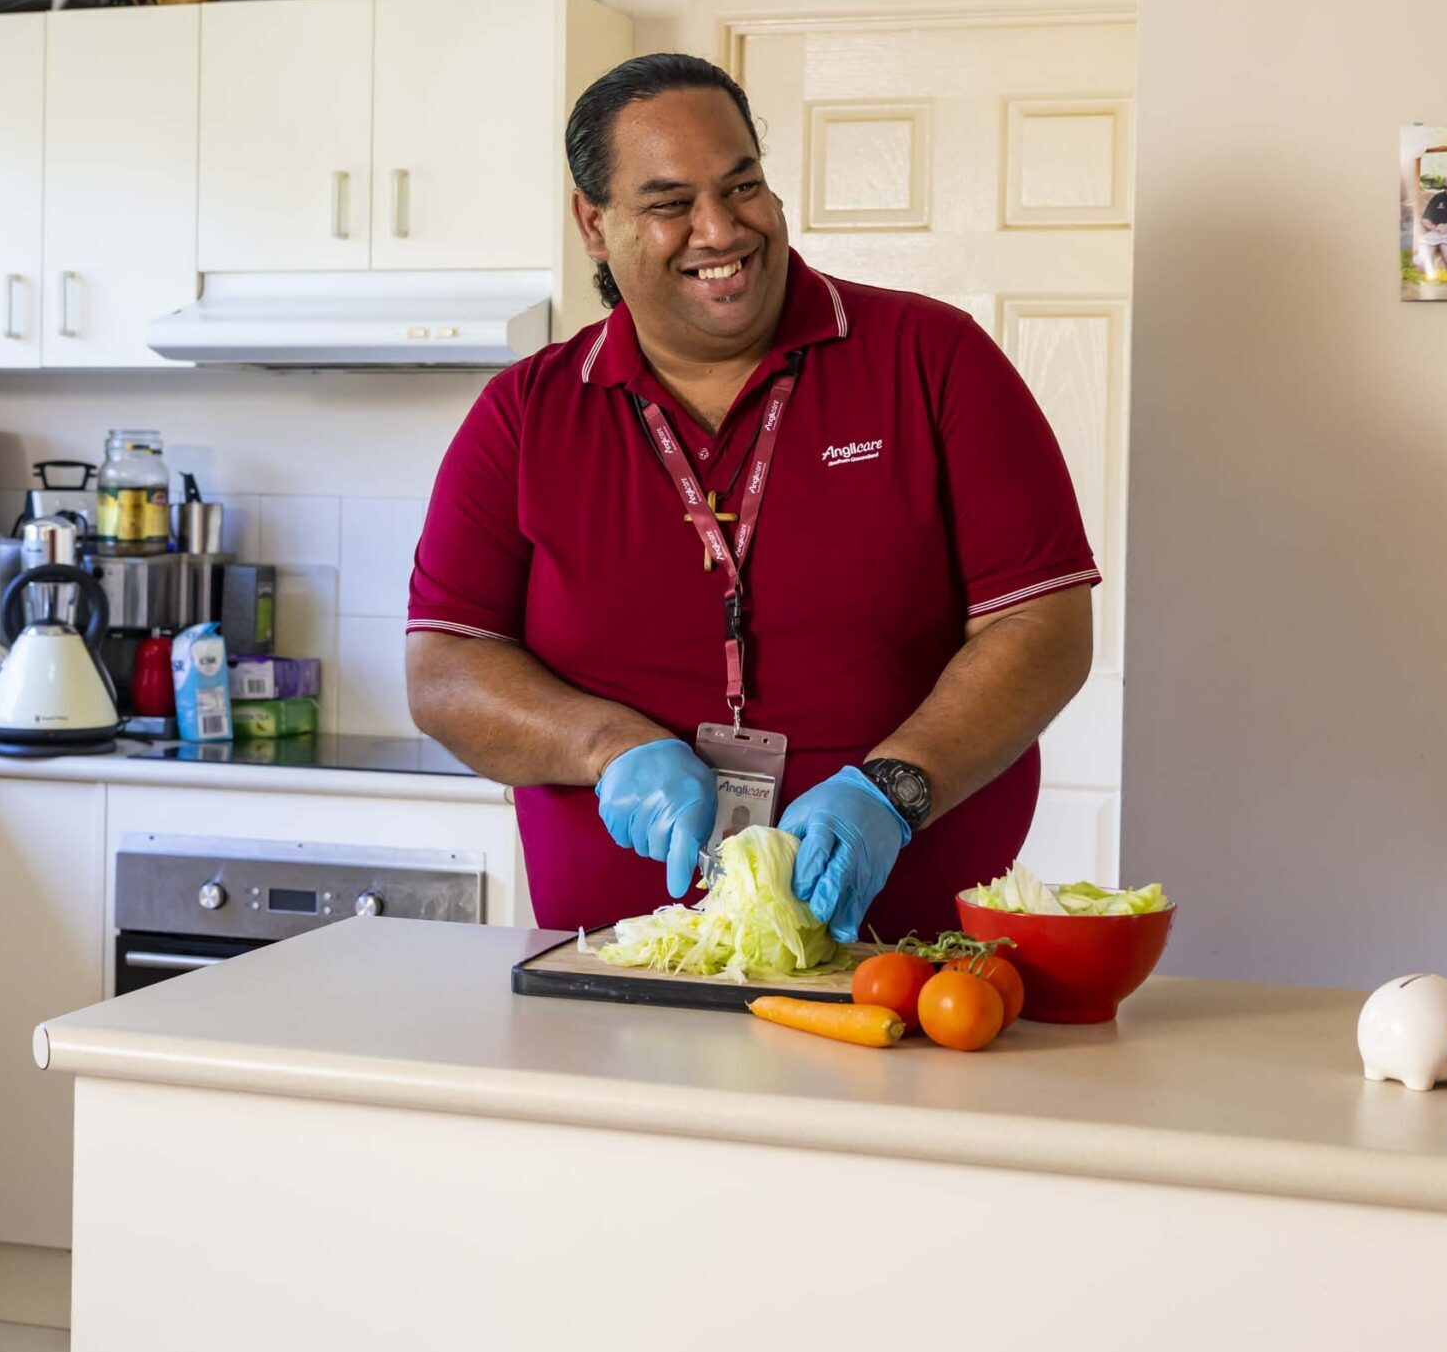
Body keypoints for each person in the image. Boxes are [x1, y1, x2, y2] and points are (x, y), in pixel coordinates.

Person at [404, 53, 1098, 943]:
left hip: (912, 963)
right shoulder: (525, 412)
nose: (721, 230)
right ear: (593, 223)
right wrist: (606, 748)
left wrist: (895, 787)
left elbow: (1044, 627)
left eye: (744, 187)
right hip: (622, 963)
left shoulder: (935, 360)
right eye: (669, 203)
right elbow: (446, 669)